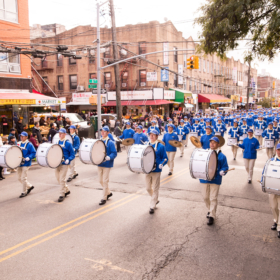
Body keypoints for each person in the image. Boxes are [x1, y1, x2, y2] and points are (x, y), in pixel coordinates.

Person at [199, 137, 229, 225]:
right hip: (204, 179)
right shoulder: (205, 153)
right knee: (205, 197)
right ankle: (210, 209)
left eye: (214, 142)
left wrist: (223, 171)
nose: (212, 144)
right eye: (211, 142)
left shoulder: (222, 156)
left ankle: (212, 215)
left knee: (213, 198)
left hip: (216, 179)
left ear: (218, 145)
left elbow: (225, 167)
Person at [146, 129, 168, 214]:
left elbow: (165, 158)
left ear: (157, 136)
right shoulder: (146, 145)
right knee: (148, 188)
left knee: (155, 188)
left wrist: (162, 164)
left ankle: (152, 205)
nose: (151, 136)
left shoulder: (161, 146)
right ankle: (155, 199)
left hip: (156, 170)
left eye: (153, 135)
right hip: (147, 170)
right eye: (150, 134)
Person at [261, 143, 280, 238]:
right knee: (273, 207)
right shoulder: (270, 161)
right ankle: (276, 221)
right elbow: (264, 172)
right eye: (278, 150)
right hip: (272, 189)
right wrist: (262, 182)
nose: (279, 152)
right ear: (276, 150)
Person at [97, 126, 117, 205]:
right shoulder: (99, 141)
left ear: (108, 132)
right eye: (102, 131)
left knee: (105, 181)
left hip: (107, 164)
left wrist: (110, 157)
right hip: (100, 163)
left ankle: (104, 197)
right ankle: (108, 192)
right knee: (100, 181)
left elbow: (114, 153)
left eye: (104, 131)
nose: (102, 132)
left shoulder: (110, 142)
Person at [55, 128, 75, 202]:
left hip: (64, 163)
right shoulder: (57, 142)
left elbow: (72, 154)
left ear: (65, 134)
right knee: (58, 178)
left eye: (61, 133)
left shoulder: (68, 143)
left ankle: (62, 194)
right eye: (59, 133)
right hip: (58, 163)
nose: (60, 135)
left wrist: (68, 159)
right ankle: (66, 190)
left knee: (62, 179)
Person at [17, 132, 36, 198]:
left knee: (23, 178)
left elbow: (33, 153)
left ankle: (24, 192)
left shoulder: (29, 144)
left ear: (26, 137)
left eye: (23, 136)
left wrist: (29, 157)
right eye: (21, 136)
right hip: (19, 163)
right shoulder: (18, 143)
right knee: (19, 178)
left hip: (26, 163)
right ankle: (30, 186)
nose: (21, 137)